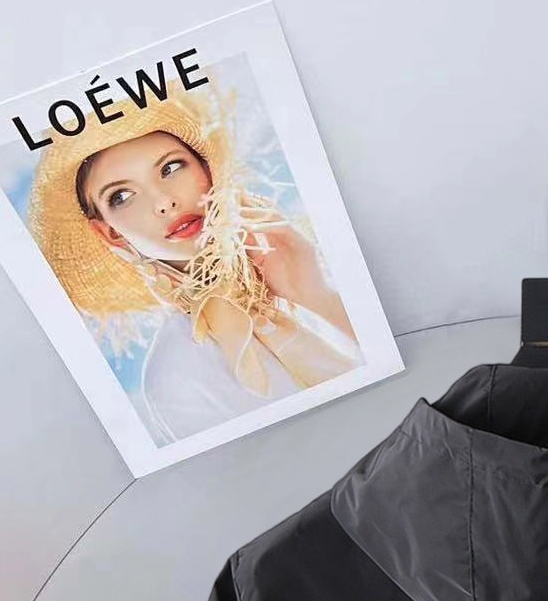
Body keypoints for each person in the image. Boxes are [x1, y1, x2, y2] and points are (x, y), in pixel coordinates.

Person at [29, 92, 362, 443]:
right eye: (122, 196)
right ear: (110, 233)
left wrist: (317, 295)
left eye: (171, 168)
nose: (164, 202)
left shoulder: (320, 255)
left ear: (206, 167)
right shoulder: (174, 377)